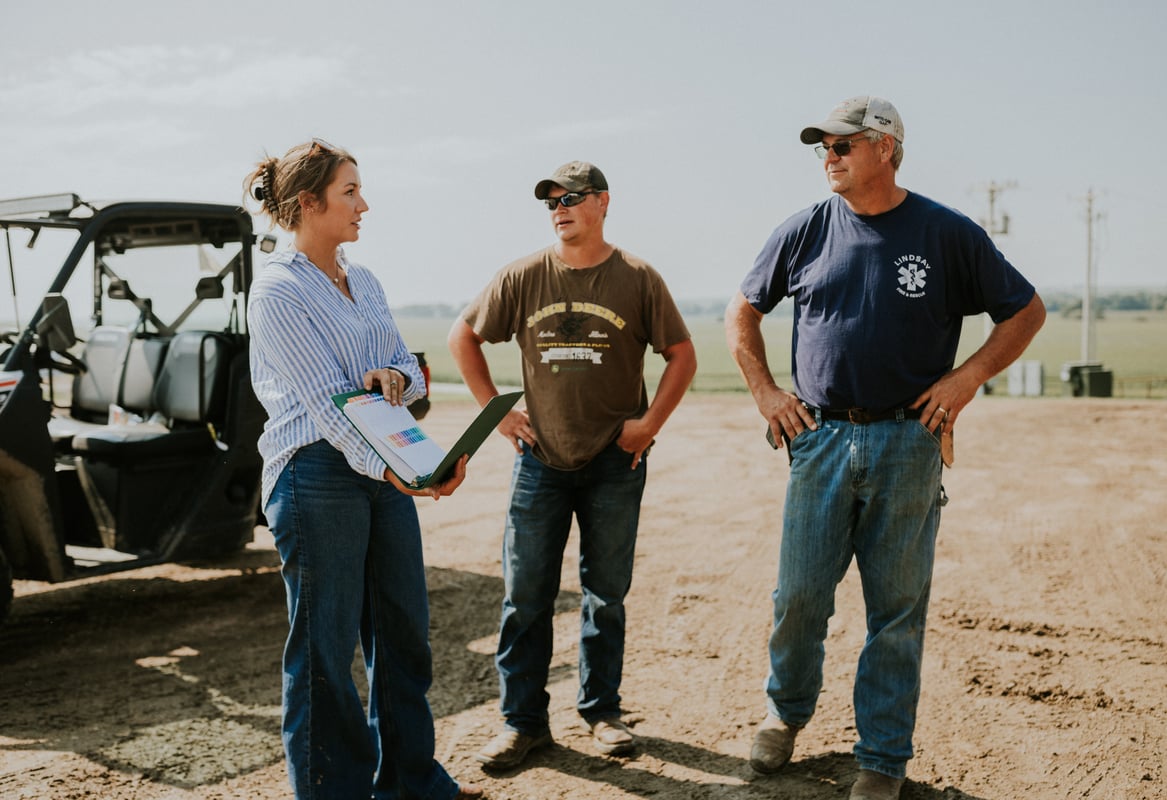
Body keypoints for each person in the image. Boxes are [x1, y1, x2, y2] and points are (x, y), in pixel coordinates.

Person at [725, 97, 1046, 800]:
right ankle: (785, 713)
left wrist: (966, 379)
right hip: (820, 438)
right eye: (824, 148)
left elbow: (1025, 309)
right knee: (800, 597)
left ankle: (882, 757)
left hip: (910, 439)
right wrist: (767, 394)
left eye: (844, 145)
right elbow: (742, 310)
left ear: (887, 149)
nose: (830, 157)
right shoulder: (806, 229)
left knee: (896, 611)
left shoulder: (945, 233)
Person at [243, 138, 482, 800]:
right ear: (307, 202)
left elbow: (406, 363)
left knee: (404, 635)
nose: (364, 205)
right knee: (324, 654)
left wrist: (394, 379)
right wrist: (397, 472)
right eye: (350, 192)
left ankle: (411, 782)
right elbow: (325, 404)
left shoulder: (365, 280)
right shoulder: (277, 293)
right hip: (314, 474)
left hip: (380, 468)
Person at [448, 161, 697, 769]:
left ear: (603, 202)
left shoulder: (636, 278)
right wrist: (497, 414)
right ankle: (523, 724)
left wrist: (649, 425)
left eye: (572, 197)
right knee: (525, 598)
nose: (560, 207)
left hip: (616, 461)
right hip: (540, 462)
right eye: (551, 201)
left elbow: (682, 354)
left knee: (605, 595)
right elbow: (464, 335)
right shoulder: (524, 275)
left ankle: (602, 713)